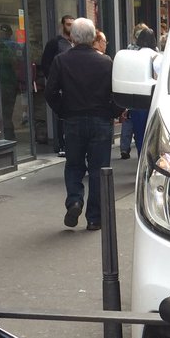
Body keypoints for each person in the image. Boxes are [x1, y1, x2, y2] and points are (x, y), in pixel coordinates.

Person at [44, 18, 125, 232]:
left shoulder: (61, 61)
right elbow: (118, 93)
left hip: (73, 120)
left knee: (74, 165)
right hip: (100, 120)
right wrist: (113, 112)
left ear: (72, 37)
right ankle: (94, 218)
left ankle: (74, 201)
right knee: (99, 169)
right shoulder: (106, 62)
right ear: (93, 38)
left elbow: (50, 92)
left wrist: (63, 110)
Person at [38, 14, 74, 155]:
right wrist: (54, 81)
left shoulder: (75, 43)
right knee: (62, 115)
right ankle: (62, 145)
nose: (70, 27)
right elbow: (45, 63)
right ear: (62, 25)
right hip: (61, 85)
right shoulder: (55, 43)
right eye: (68, 24)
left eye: (73, 25)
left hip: (73, 86)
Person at [118, 23, 152, 160]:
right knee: (145, 134)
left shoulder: (131, 53)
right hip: (146, 98)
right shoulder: (156, 55)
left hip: (139, 97)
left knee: (140, 134)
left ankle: (142, 160)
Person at [128, 25, 159, 155]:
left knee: (139, 134)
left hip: (137, 100)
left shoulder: (133, 57)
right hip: (153, 100)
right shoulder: (158, 57)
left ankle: (142, 157)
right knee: (153, 134)